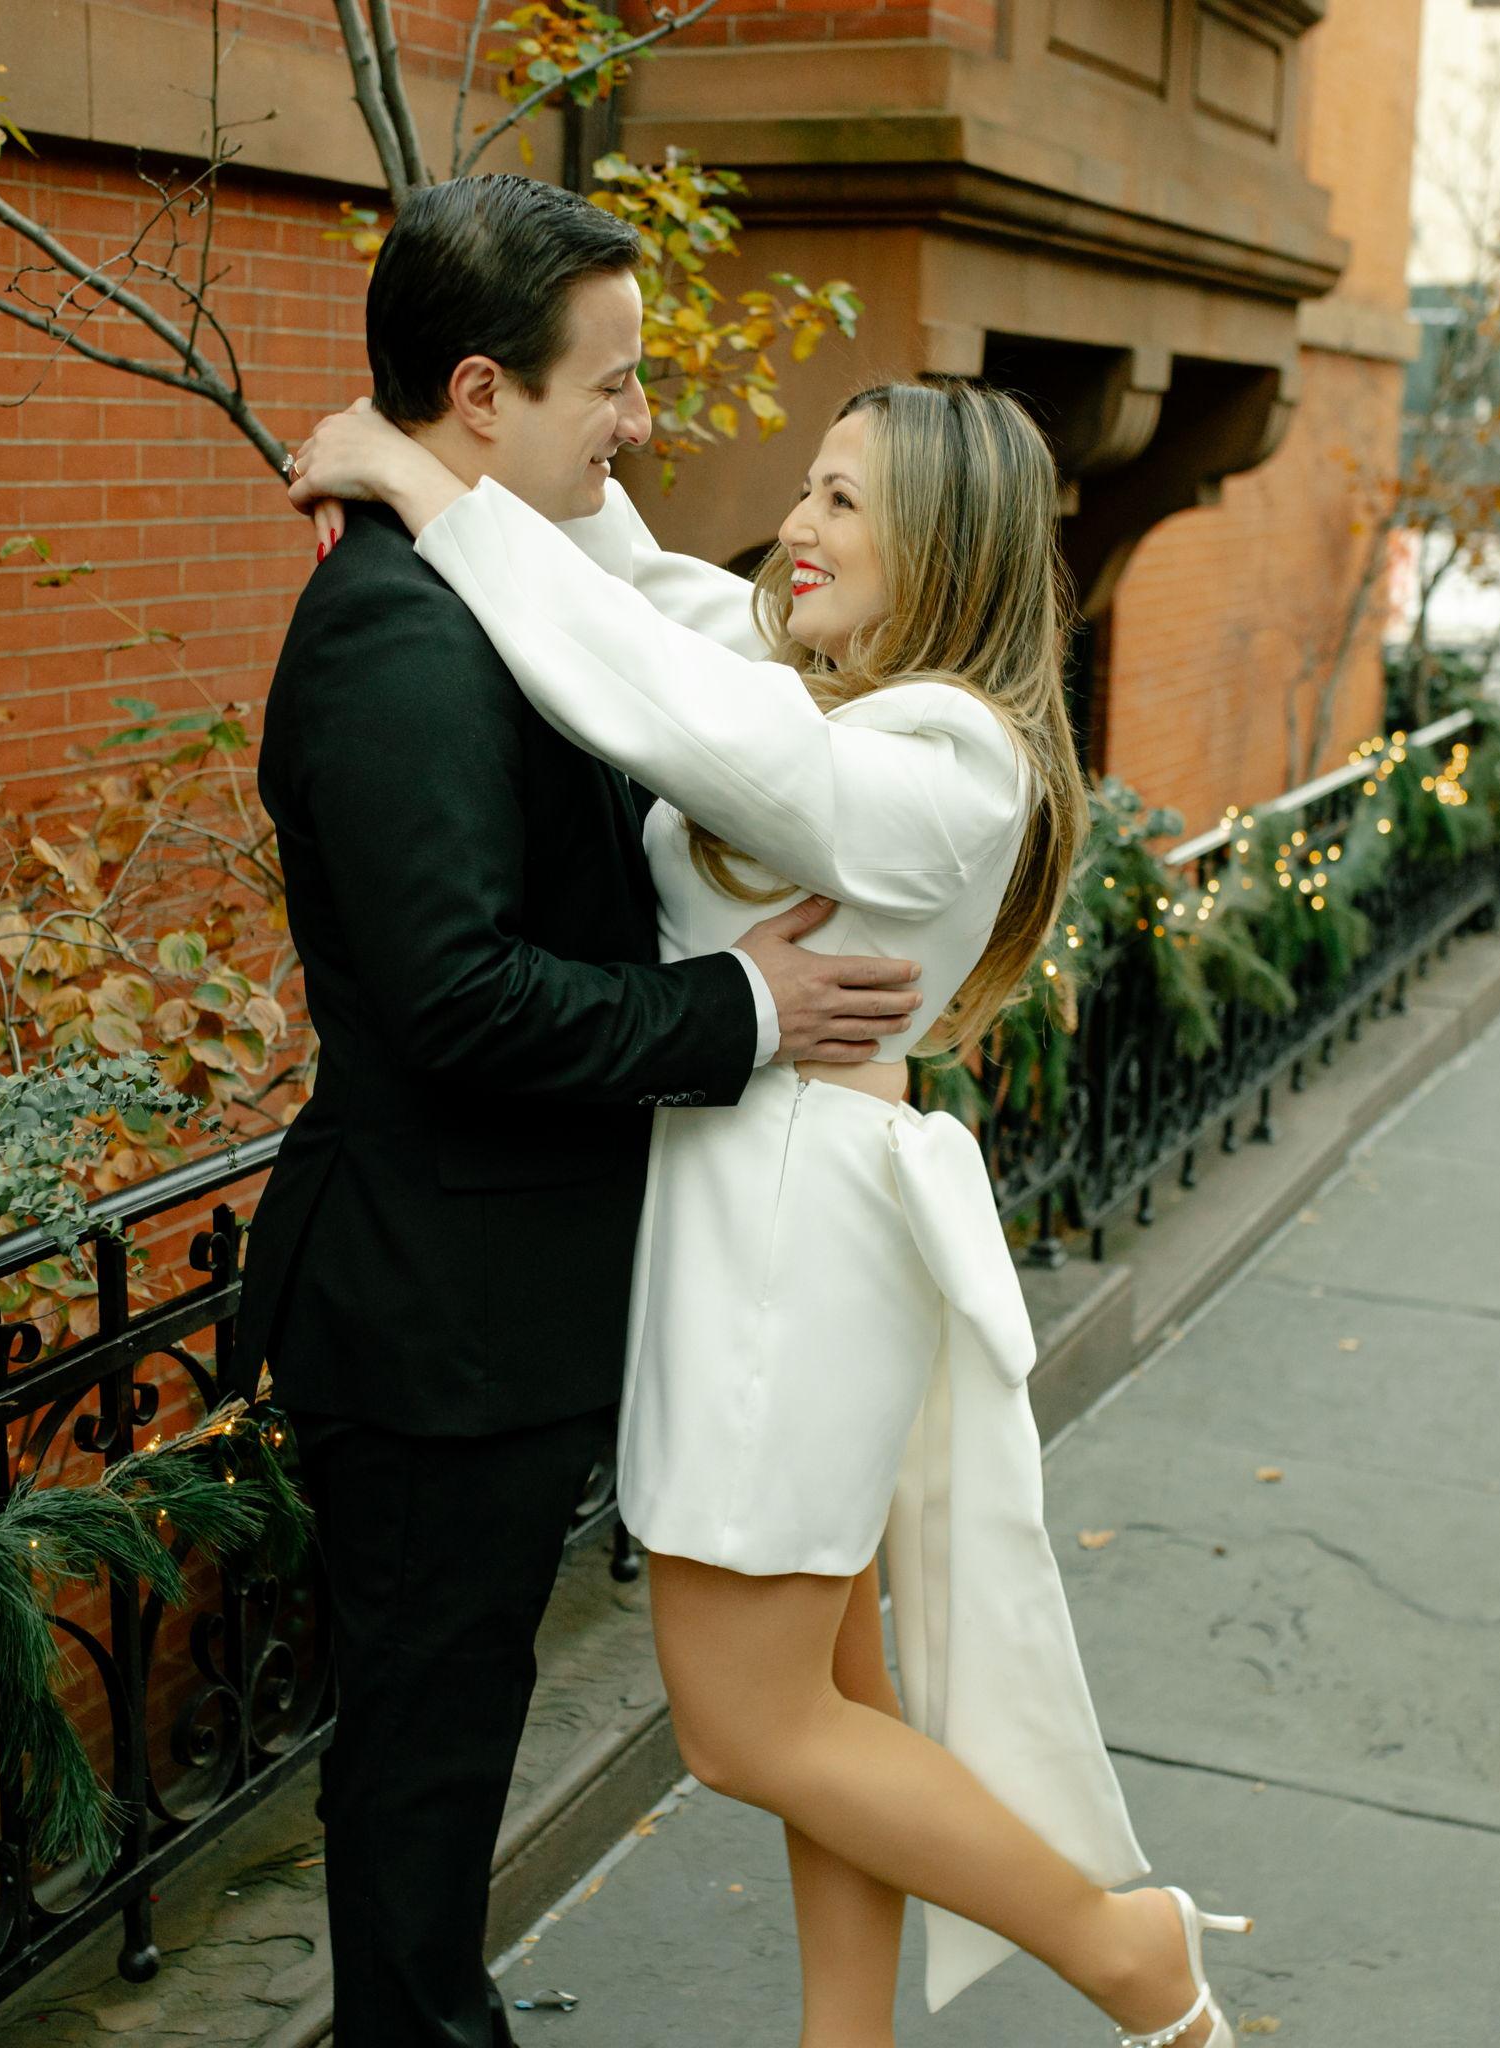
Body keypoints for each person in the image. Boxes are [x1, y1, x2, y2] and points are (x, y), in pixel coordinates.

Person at [287, 350, 1255, 2042]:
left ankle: (1127, 1953)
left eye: (841, 500)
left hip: (786, 1247)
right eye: (808, 486)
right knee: (834, 1692)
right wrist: (431, 454)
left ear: (938, 542)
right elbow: (653, 600)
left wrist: (427, 487)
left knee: (747, 1727)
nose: (796, 524)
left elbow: (662, 700)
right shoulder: (841, 695)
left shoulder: (949, 757)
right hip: (769, 1214)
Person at [231, 174, 929, 2048]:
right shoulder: (396, 635)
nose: (639, 419)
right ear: (485, 392)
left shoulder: (497, 580)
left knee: (452, 1741)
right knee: (426, 1763)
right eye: (609, 383)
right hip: (428, 1317)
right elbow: (455, 998)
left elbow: (663, 623)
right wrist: (745, 1009)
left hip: (498, 1307)